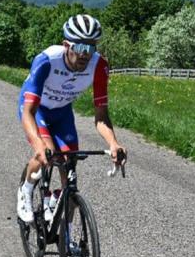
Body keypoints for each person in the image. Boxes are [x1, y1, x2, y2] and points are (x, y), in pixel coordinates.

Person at [16, 13, 127, 223]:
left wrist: (113, 143)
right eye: (81, 48)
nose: (86, 55)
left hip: (62, 112)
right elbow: (28, 111)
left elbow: (101, 116)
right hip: (37, 110)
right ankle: (26, 189)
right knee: (48, 154)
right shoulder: (46, 61)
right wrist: (39, 145)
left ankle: (66, 239)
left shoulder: (99, 66)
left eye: (91, 48)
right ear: (66, 45)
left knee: (70, 171)